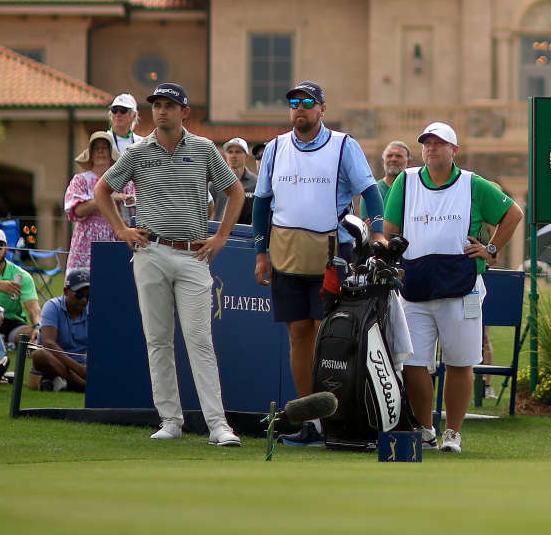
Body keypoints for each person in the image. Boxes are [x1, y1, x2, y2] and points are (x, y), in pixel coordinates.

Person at [93, 81, 244, 447]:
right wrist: (122, 229)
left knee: (199, 340)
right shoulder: (139, 151)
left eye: (169, 105)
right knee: (158, 340)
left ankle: (218, 425)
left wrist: (221, 236)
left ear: (184, 112)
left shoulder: (205, 149)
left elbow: (234, 191)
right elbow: (102, 189)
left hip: (193, 254)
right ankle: (170, 420)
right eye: (157, 105)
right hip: (151, 252)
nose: (161, 111)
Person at [249, 79, 381, 448]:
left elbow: (370, 191)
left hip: (334, 254)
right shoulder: (275, 147)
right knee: (299, 335)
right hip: (287, 253)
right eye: (294, 102)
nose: (300, 108)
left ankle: (336, 419)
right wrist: (261, 252)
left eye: (308, 102)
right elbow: (261, 202)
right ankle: (311, 422)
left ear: (322, 109)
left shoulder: (344, 146)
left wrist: (381, 231)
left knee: (330, 336)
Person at [384, 119, 521, 456]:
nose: (431, 148)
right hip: (415, 286)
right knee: (413, 363)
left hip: (462, 287)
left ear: (453, 150)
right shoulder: (407, 180)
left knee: (461, 363)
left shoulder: (474, 184)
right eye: (426, 143)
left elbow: (513, 214)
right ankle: (426, 429)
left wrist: (490, 250)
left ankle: (453, 432)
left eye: (438, 143)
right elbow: (390, 228)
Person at [63, 132, 122, 274]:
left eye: (105, 147)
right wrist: (109, 198)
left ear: (111, 153)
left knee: (115, 287)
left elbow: (133, 206)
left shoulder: (123, 180)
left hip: (117, 239)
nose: (100, 151)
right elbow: (77, 210)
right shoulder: (80, 180)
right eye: (96, 148)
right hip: (85, 242)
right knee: (80, 291)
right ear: (90, 154)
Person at [31, 266, 93, 391]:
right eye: (79, 295)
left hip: (80, 364)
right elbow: (48, 343)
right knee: (39, 354)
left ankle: (61, 383)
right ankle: (83, 386)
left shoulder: (92, 309)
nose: (84, 300)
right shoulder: (52, 306)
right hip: (54, 361)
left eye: (88, 295)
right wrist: (80, 370)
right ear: (66, 291)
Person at [214, 137, 259, 224]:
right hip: (218, 233)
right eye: (230, 152)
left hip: (245, 234)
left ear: (247, 157)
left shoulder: (255, 183)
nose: (233, 156)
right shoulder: (215, 182)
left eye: (238, 152)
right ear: (225, 155)